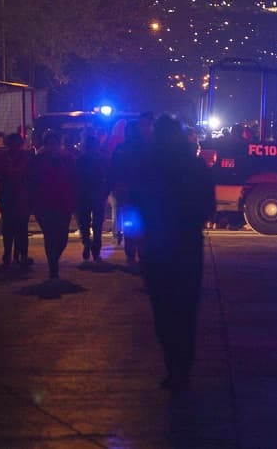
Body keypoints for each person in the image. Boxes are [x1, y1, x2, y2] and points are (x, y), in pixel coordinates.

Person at [131, 114, 215, 392]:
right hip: (188, 246)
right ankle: (182, 370)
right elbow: (208, 207)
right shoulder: (195, 167)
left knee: (163, 311)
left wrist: (139, 238)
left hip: (156, 248)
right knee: (186, 312)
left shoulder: (146, 167)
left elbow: (133, 207)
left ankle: (173, 367)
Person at [25, 131, 77, 279]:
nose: (53, 146)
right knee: (50, 235)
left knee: (62, 237)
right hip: (44, 203)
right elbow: (30, 181)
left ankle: (54, 259)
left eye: (55, 143)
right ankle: (53, 266)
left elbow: (74, 180)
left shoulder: (67, 159)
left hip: (62, 203)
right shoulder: (37, 161)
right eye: (50, 143)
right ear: (46, 145)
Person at [109, 112, 154, 264]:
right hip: (138, 194)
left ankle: (132, 255)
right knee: (139, 226)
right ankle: (139, 255)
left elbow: (114, 170)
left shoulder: (123, 148)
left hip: (130, 193)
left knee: (131, 226)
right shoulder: (146, 147)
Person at [0, 132, 33, 266]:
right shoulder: (3, 157)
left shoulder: (25, 157)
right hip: (10, 196)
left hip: (20, 196)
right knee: (10, 227)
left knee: (20, 227)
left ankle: (20, 254)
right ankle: (10, 253)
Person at [75, 133, 109, 261]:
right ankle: (96, 249)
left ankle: (87, 243)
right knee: (97, 223)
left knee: (84, 223)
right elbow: (106, 176)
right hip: (96, 194)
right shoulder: (101, 158)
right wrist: (106, 190)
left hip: (83, 195)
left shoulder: (80, 159)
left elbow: (75, 177)